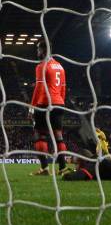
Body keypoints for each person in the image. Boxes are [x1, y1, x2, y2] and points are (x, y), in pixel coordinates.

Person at [29, 40, 69, 176]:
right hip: (59, 103)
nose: (37, 52)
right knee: (59, 136)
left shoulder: (41, 66)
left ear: (44, 50)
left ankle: (45, 168)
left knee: (39, 135)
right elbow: (63, 88)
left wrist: (31, 108)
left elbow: (39, 88)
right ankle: (62, 168)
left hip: (44, 103)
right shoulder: (60, 66)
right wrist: (60, 102)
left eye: (38, 49)